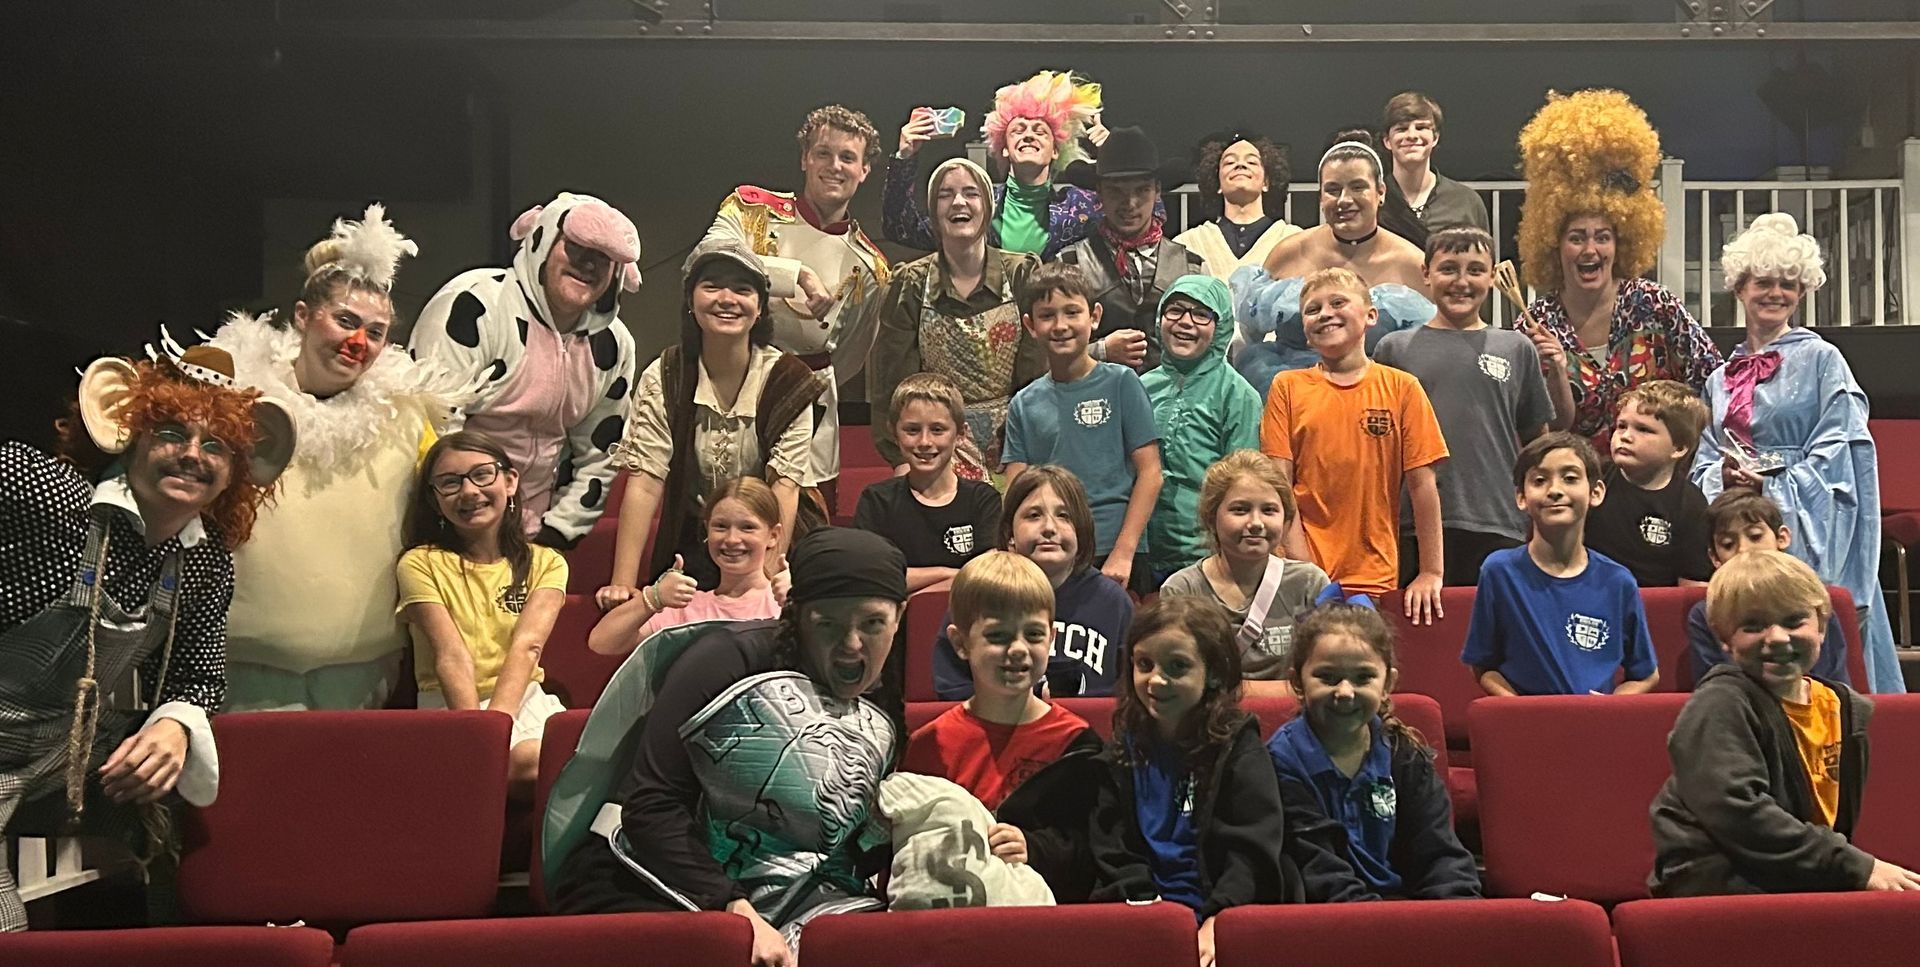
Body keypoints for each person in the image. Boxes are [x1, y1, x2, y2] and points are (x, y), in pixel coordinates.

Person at [0, 340, 295, 931]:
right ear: (128, 435)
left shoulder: (204, 561)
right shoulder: (46, 495)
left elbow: (199, 675)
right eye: (171, 433)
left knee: (214, 815)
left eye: (215, 445)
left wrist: (173, 725)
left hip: (65, 753)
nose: (192, 455)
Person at [551, 528, 907, 963]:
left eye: (873, 624)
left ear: (899, 616)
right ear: (796, 614)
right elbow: (651, 805)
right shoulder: (724, 659)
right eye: (828, 624)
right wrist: (733, 911)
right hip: (650, 875)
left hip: (798, 893)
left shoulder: (882, 698)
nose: (852, 645)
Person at [212, 204, 470, 711]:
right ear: (304, 317)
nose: (359, 342)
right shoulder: (232, 400)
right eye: (345, 321)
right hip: (241, 675)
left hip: (360, 677)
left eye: (375, 332)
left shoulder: (408, 415)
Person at [1691, 213, 1900, 693]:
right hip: (1737, 532)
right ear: (1740, 288)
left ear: (1801, 294)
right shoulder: (1719, 377)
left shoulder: (1824, 360)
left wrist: (1773, 486)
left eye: (1789, 285)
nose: (1775, 293)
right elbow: (1702, 455)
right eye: (1764, 281)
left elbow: (1843, 451)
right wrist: (1720, 477)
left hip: (1802, 525)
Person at [1649, 550, 1920, 897]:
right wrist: (1854, 866)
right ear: (1724, 639)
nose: (1776, 637)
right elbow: (1738, 814)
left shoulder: (1843, 706)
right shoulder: (1720, 703)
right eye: (1753, 626)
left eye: (1793, 621)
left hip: (1800, 877)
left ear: (1822, 627)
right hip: (1719, 885)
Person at [600, 239, 822, 609]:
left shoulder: (789, 380)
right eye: (712, 285)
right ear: (691, 300)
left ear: (760, 307)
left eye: (742, 289)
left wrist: (764, 580)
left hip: (775, 541)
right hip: (700, 540)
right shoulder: (665, 375)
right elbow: (646, 481)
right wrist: (622, 584)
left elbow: (784, 485)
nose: (727, 299)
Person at [412, 191, 642, 547]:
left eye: (603, 258)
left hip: (534, 540)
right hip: (446, 530)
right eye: (576, 247)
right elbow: (433, 432)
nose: (588, 265)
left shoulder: (615, 346)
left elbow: (601, 456)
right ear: (543, 241)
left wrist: (555, 537)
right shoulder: (475, 303)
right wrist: (467, 531)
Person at [1090, 596, 1301, 967]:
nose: (1156, 679)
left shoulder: (1239, 748)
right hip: (1143, 912)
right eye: (1144, 664)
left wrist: (1220, 919)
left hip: (1222, 914)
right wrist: (1146, 909)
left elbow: (1251, 851)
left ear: (1214, 674)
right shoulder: (1122, 747)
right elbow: (1113, 847)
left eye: (1178, 667)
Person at [699, 105, 892, 512]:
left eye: (847, 158)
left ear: (864, 171)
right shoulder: (750, 210)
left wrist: (803, 380)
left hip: (813, 399)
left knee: (808, 525)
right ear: (805, 158)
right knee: (724, 516)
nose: (833, 166)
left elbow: (852, 355)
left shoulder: (871, 266)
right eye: (823, 153)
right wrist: (796, 274)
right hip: (733, 385)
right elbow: (707, 259)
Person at [1514, 89, 1722, 446]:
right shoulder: (1535, 326)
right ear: (1552, 243)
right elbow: (1535, 429)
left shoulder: (1654, 305)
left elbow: (1714, 381)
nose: (1590, 249)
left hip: (1658, 487)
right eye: (1577, 237)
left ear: (1622, 241)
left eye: (1603, 237)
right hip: (1579, 488)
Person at [902, 551, 1103, 896]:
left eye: (1034, 634)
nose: (1018, 649)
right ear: (960, 643)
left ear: (1052, 639)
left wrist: (1035, 848)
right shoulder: (929, 745)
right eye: (998, 636)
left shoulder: (1078, 744)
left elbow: (1096, 852)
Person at [1259, 267, 1448, 623]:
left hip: (1373, 575)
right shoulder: (1287, 387)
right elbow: (1278, 486)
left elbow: (1424, 487)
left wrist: (1431, 572)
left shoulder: (1402, 388)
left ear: (1371, 315)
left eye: (1338, 302)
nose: (1325, 313)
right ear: (1305, 331)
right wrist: (1303, 567)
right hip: (1298, 572)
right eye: (1312, 310)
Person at [1375, 227, 1554, 587]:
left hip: (1499, 519)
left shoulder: (1516, 348)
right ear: (1425, 274)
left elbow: (1538, 445)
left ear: (1491, 277)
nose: (1462, 281)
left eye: (1475, 269)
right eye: (1448, 268)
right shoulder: (1393, 349)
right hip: (1412, 523)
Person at [1269, 602, 1481, 900]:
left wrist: (1457, 914)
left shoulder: (1404, 754)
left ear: (1387, 684)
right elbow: (1318, 871)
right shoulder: (1281, 762)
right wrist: (1381, 931)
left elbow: (1440, 854)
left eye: (1363, 677)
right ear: (1297, 682)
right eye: (1327, 677)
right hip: (1329, 920)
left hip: (1406, 914)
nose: (1345, 692)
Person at [398, 432, 567, 800]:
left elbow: (528, 645)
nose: (469, 491)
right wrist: (478, 735)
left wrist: (496, 729)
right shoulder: (420, 563)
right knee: (532, 762)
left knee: (562, 756)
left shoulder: (546, 562)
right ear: (434, 498)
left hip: (526, 697)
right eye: (450, 482)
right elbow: (450, 655)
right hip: (452, 704)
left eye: (482, 475)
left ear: (510, 481)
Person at [868, 158, 1043, 479]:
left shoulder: (1021, 274)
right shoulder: (911, 283)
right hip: (935, 446)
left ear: (988, 207)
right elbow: (891, 383)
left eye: (971, 193)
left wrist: (1027, 451)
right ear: (934, 211)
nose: (959, 202)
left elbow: (1036, 376)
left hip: (1014, 444)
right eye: (946, 194)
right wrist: (901, 460)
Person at [1003, 262, 1163, 592]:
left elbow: (1151, 473)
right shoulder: (1023, 403)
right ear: (1031, 326)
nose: (1060, 325)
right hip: (1049, 553)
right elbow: (1017, 489)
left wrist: (1124, 552)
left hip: (1113, 551)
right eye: (1047, 315)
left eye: (1072, 312)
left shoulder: (1122, 383)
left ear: (1094, 316)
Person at [1234, 134, 1434, 396]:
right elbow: (1250, 332)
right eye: (1333, 189)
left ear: (1380, 192)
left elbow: (1438, 346)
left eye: (1358, 187)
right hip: (1289, 394)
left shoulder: (1412, 263)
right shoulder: (1290, 251)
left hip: (1381, 398)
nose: (1344, 200)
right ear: (1320, 197)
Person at [1461, 432, 1659, 696]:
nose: (1555, 490)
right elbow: (1483, 665)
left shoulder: (1618, 581)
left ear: (1596, 492)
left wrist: (1608, 708)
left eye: (1570, 478)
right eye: (1540, 480)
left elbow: (1646, 674)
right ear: (1521, 497)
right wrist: (1520, 709)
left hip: (1593, 729)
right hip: (1527, 728)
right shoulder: (1499, 572)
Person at [933, 466, 1131, 700]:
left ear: (1082, 530)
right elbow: (952, 690)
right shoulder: (978, 594)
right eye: (1033, 515)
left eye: (1064, 516)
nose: (1049, 528)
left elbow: (1131, 695)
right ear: (1010, 532)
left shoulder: (1113, 602)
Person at [1159, 452, 1331, 696]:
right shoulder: (1182, 590)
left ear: (1286, 520)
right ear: (1211, 517)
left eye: (1269, 510)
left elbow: (1326, 680)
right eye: (1240, 510)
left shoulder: (1310, 583)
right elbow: (1179, 684)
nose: (1256, 522)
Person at [884, 70, 1104, 260]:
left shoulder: (1080, 204)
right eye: (1018, 130)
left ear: (1056, 150)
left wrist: (1113, 154)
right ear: (1004, 147)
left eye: (1040, 131)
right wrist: (904, 157)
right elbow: (901, 229)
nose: (1028, 136)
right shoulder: (977, 203)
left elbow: (1131, 220)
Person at [1056, 126, 1209, 373]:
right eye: (1116, 192)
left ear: (1157, 190)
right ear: (1099, 193)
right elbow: (1050, 348)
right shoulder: (1070, 264)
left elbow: (1212, 348)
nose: (1130, 204)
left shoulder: (1193, 267)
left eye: (1141, 190)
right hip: (1094, 399)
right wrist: (1101, 351)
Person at [1142, 276, 1261, 579]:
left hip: (1205, 556)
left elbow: (1242, 481)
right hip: (1141, 550)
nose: (1185, 323)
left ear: (1220, 327)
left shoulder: (1237, 394)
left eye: (1201, 314)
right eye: (1176, 311)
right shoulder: (1140, 387)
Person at [589, 477, 784, 657]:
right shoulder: (684, 606)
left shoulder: (783, 602)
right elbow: (601, 642)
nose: (732, 539)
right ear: (707, 529)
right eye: (721, 526)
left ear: (773, 536)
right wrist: (654, 597)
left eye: (747, 527)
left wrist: (800, 604)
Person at [853, 372, 1001, 593]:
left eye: (937, 430)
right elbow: (873, 575)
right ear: (894, 432)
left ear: (960, 434)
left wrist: (916, 593)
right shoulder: (877, 500)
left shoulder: (983, 499)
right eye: (912, 430)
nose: (924, 442)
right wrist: (950, 574)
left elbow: (986, 577)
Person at [1686, 491, 1851, 687]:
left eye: (1755, 537)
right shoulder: (1705, 614)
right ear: (1714, 557)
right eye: (1728, 544)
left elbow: (1835, 685)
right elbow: (1713, 687)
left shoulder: (1811, 602)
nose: (1743, 550)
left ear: (1782, 538)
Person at [1584, 380, 1713, 587]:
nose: (1625, 437)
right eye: (1621, 426)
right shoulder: (1592, 480)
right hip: (1589, 597)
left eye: (1643, 429)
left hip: (1653, 609)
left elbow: (1692, 588)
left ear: (1678, 448)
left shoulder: (1691, 504)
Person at [1172, 129, 1301, 281]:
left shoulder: (1293, 239)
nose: (1240, 165)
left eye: (1252, 162)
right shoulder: (1188, 244)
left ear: (1266, 182)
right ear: (1217, 183)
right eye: (1229, 162)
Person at [1381, 92, 1490, 234]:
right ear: (1387, 141)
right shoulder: (1372, 200)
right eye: (1401, 129)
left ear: (1435, 138)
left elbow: (1481, 255)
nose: (1412, 136)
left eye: (1421, 128)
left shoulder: (1466, 202)